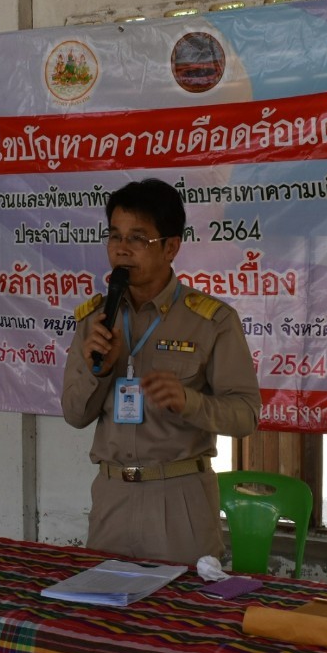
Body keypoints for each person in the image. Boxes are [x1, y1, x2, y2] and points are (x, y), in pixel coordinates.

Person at [62, 178, 261, 565]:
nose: (122, 248)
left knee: (182, 602)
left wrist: (189, 402)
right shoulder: (96, 320)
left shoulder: (211, 321)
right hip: (112, 496)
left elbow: (245, 415)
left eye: (138, 238)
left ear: (171, 247)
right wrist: (99, 370)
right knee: (104, 602)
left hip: (180, 499)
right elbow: (74, 414)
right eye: (114, 236)